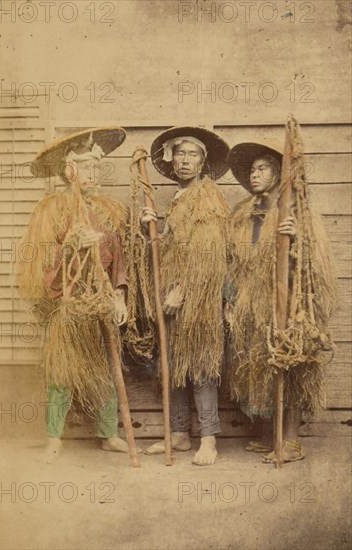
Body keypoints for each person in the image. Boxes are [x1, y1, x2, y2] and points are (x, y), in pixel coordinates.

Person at [17, 127, 140, 463]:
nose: (93, 174)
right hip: (68, 306)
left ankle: (108, 433)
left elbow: (119, 259)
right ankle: (54, 438)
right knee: (62, 373)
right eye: (86, 168)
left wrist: (120, 295)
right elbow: (39, 260)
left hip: (101, 303)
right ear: (69, 170)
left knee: (105, 369)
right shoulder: (51, 209)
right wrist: (70, 248)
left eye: (97, 168)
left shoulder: (107, 210)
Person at [225, 140, 338, 462]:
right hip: (250, 301)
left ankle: (289, 440)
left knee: (289, 364)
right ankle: (266, 432)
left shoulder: (298, 212)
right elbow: (233, 259)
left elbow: (315, 261)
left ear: (280, 173)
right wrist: (230, 298)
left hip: (287, 301)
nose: (254, 174)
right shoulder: (244, 213)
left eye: (262, 168)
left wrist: (297, 236)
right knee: (258, 363)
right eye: (252, 169)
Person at [142, 126, 230, 465]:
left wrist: (184, 289)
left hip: (198, 297)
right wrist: (148, 227)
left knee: (201, 366)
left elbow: (208, 253)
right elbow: (169, 250)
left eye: (193, 154)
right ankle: (179, 434)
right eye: (179, 153)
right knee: (174, 366)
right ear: (171, 158)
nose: (185, 160)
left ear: (203, 162)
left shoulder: (206, 196)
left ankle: (208, 439)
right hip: (173, 298)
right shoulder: (179, 198)